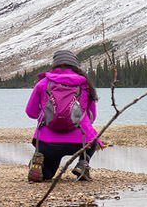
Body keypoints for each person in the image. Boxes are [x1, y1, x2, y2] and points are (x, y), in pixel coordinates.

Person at [25, 48, 100, 181]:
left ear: (54, 64)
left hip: (46, 142)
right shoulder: (84, 84)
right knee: (93, 140)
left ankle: (38, 163)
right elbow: (92, 116)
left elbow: (31, 113)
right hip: (80, 142)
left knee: (47, 176)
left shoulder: (43, 83)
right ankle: (83, 163)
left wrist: (49, 115)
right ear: (75, 66)